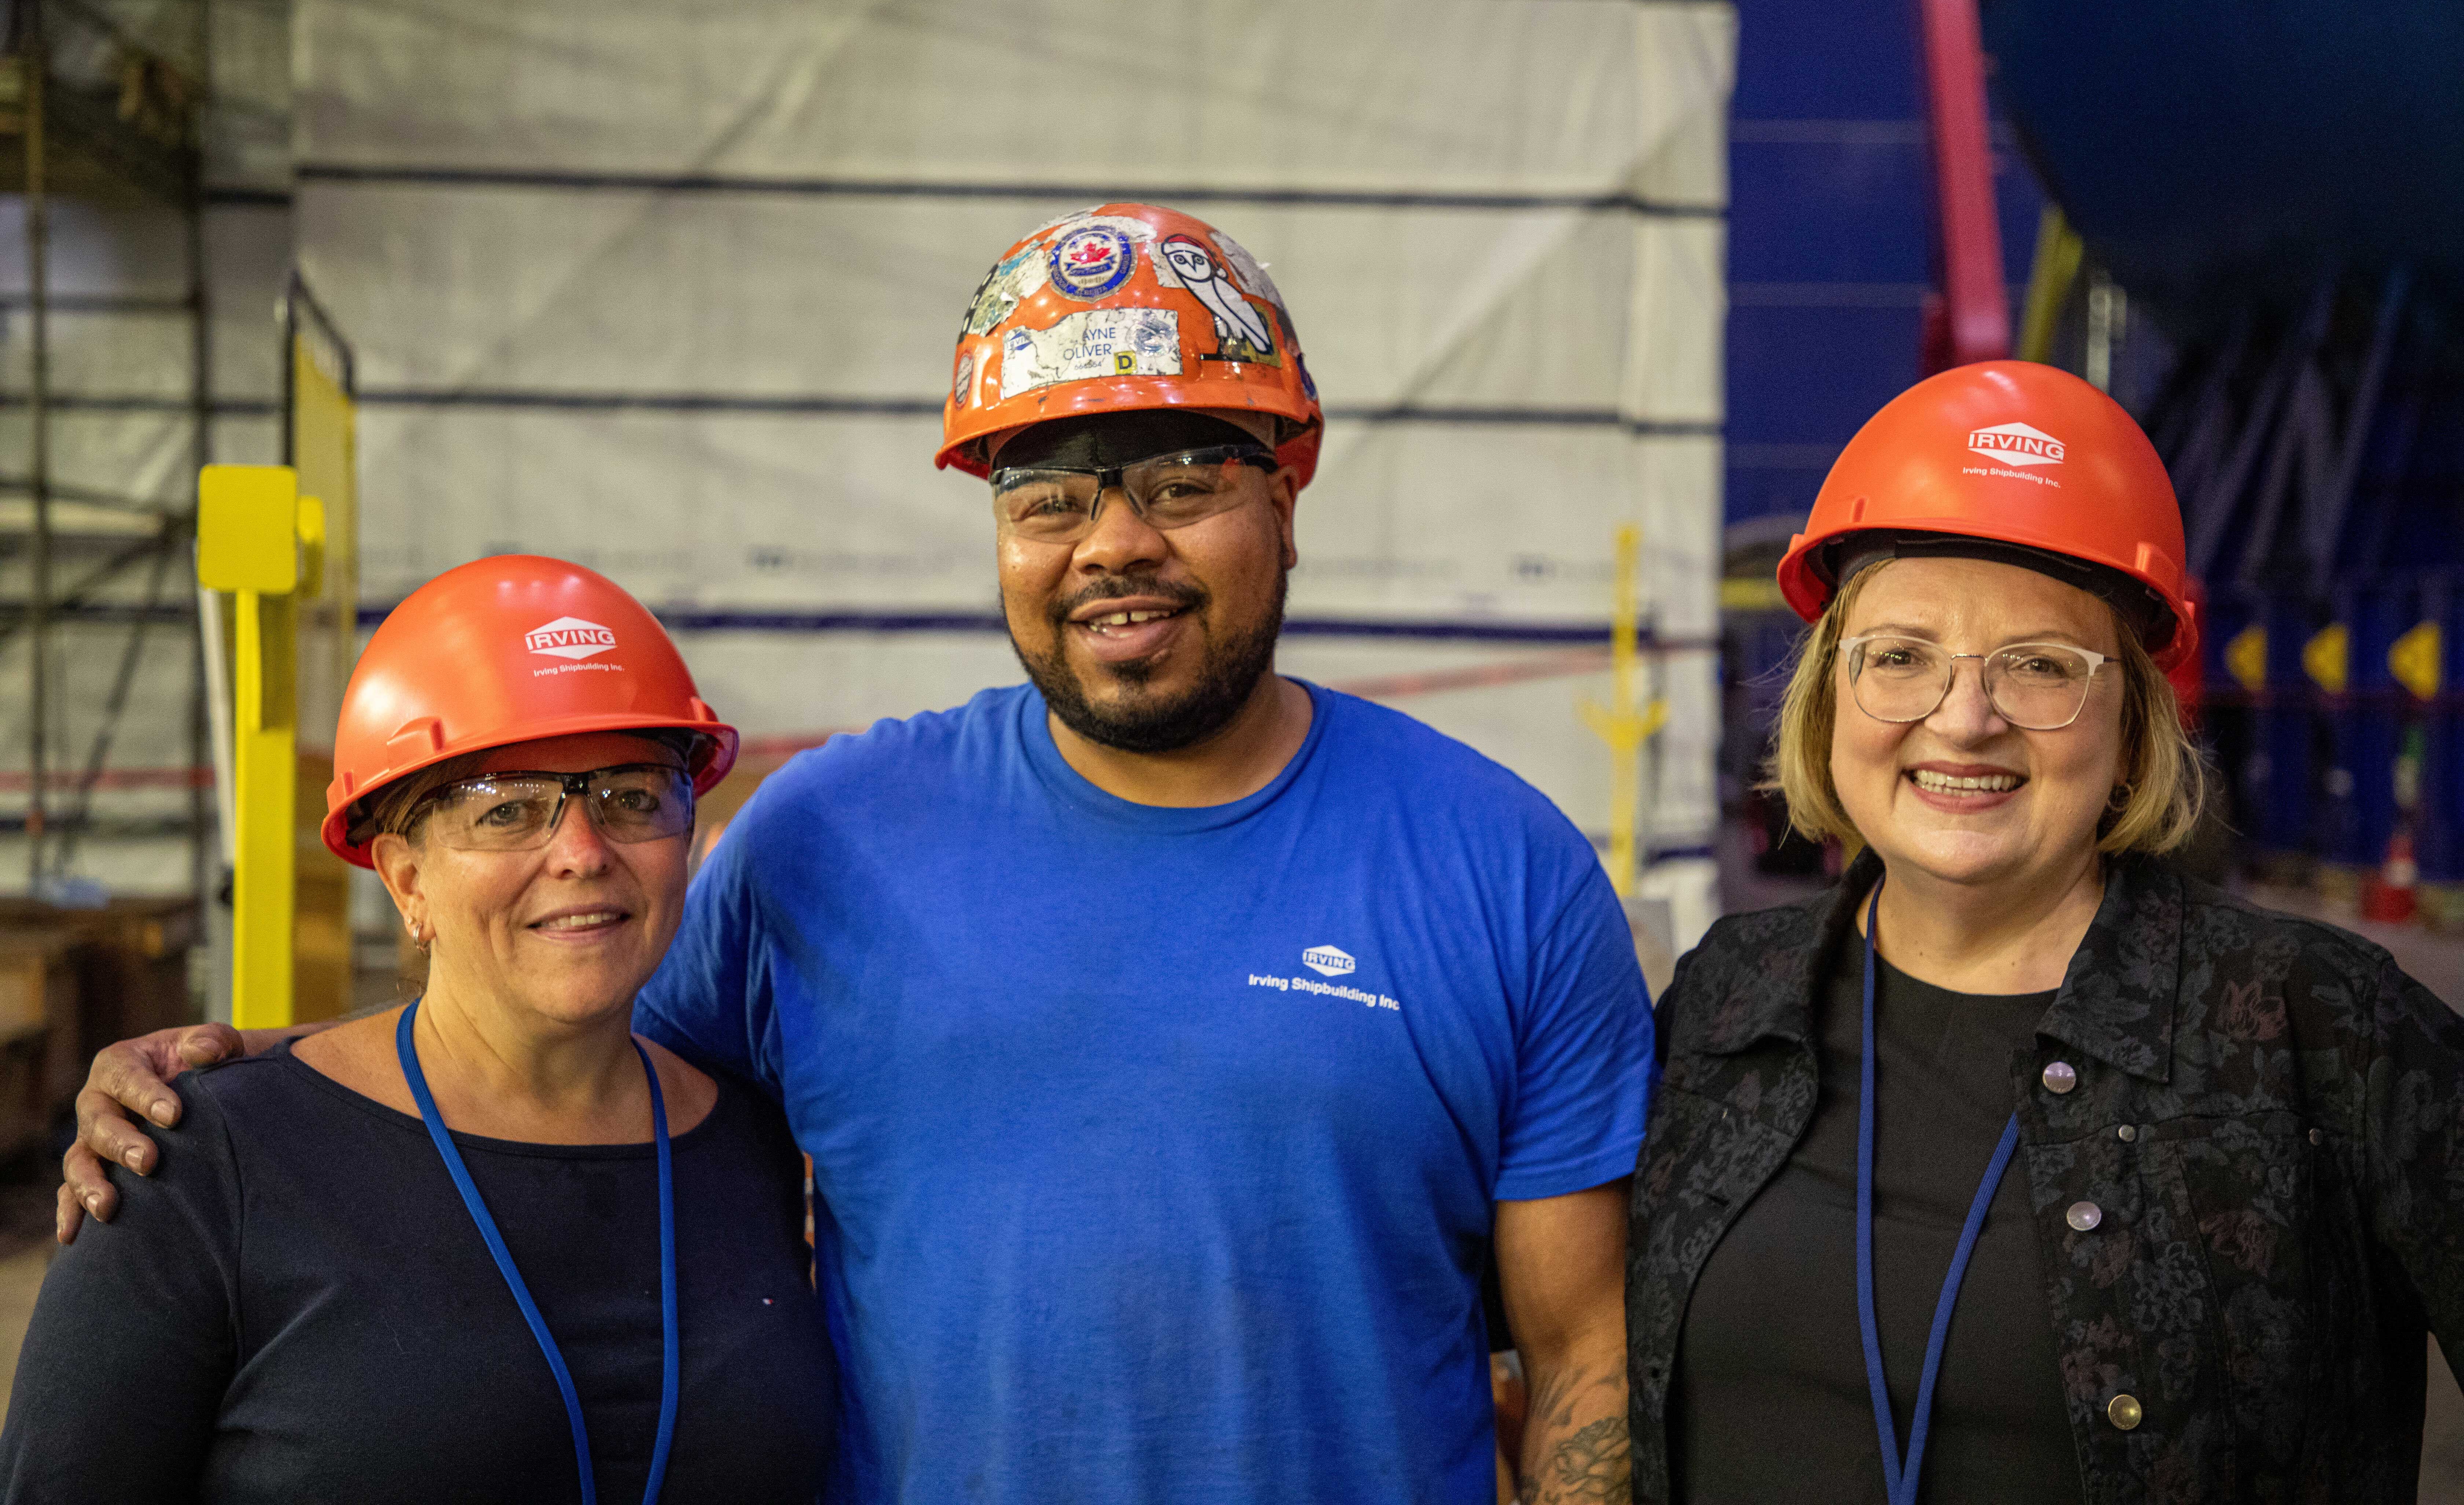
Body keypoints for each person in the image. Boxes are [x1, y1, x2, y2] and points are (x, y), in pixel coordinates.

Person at [63, 204, 1651, 1505]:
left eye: (1184, 481)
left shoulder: (1498, 867)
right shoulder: (829, 837)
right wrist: (252, 1083)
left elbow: (1583, 1355)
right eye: (1049, 499)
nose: (1115, 545)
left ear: (1289, 491)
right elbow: (551, 1056)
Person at [1624, 360, 2464, 1503]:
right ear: (1830, 697)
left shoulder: (2323, 1032)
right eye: (1902, 657)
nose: (1964, 721)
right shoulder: (1730, 1000)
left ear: (2134, 722)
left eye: (2040, 667)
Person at [7, 557, 833, 1503]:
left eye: (631, 798)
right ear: (407, 882)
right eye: (509, 810)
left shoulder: (747, 1142)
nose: (581, 853)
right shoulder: (202, 1167)